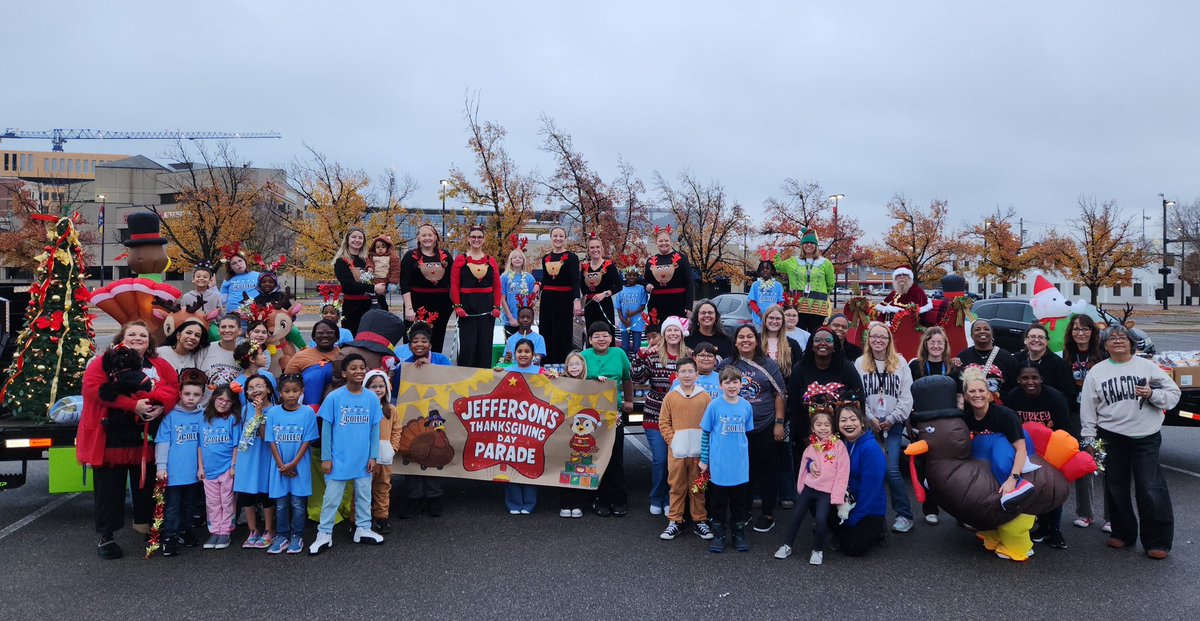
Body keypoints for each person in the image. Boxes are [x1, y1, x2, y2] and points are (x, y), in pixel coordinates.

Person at [79, 321, 180, 559]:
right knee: (109, 488)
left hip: (146, 434)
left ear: (150, 341)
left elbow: (173, 389)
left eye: (143, 335)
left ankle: (148, 528)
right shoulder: (103, 363)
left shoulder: (159, 364)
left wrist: (160, 406)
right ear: (121, 338)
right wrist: (133, 405)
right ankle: (107, 536)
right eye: (131, 334)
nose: (137, 338)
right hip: (111, 435)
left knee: (147, 485)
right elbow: (93, 389)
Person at [1080, 325, 1180, 560]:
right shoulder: (1097, 372)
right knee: (1116, 485)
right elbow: (1088, 407)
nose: (1117, 341)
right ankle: (1123, 533)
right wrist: (1088, 438)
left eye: (1122, 338)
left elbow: (1173, 394)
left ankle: (1157, 541)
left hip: (1146, 436)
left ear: (1132, 343)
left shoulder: (1146, 366)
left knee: (1150, 486)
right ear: (1104, 345)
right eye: (1111, 338)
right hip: (1111, 435)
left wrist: (1152, 394)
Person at [310, 354, 385, 555]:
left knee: (363, 495)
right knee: (331, 498)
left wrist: (373, 456)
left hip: (363, 459)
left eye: (362, 367)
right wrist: (326, 458)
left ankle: (363, 528)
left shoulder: (371, 398)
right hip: (338, 459)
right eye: (353, 368)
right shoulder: (334, 397)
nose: (359, 371)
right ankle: (324, 533)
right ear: (344, 373)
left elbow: (374, 429)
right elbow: (326, 430)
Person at [717, 325, 787, 534]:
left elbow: (780, 394)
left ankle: (767, 513)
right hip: (735, 428)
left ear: (757, 341)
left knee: (767, 471)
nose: (745, 340)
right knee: (741, 471)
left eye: (750, 337)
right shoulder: (727, 364)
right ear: (735, 341)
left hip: (765, 425)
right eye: (741, 337)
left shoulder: (768, 364)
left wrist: (779, 422)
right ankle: (743, 511)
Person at [1005, 362, 1071, 550]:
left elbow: (1064, 428)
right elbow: (1009, 427)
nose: (1030, 381)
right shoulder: (1013, 397)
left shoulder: (1055, 397)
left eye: (1034, 377)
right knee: (1031, 488)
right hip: (1025, 450)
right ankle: (1041, 527)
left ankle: (1055, 530)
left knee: (1053, 488)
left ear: (1041, 379)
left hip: (1052, 448)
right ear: (1018, 380)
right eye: (1025, 378)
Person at [857, 321, 915, 533]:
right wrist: (869, 417)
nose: (878, 340)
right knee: (868, 470)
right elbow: (858, 395)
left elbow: (907, 397)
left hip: (893, 424)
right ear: (868, 340)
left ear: (889, 340)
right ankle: (868, 514)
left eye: (883, 337)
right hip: (869, 424)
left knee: (891, 469)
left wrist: (892, 418)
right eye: (874, 337)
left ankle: (904, 514)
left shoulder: (900, 363)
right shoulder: (860, 363)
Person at [632, 315, 692, 516]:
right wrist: (640, 356)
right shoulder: (653, 354)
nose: (673, 334)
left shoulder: (690, 356)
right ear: (663, 335)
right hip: (655, 413)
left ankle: (671, 499)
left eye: (676, 330)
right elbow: (637, 376)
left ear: (681, 334)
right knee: (660, 459)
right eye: (669, 331)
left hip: (682, 415)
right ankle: (656, 497)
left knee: (676, 459)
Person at [773, 411, 849, 565]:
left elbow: (843, 470)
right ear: (813, 428)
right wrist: (809, 465)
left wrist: (837, 495)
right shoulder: (812, 445)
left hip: (827, 491)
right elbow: (806, 460)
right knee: (796, 516)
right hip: (810, 486)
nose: (823, 428)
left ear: (832, 427)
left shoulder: (838, 445)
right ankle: (787, 545)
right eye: (819, 425)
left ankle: (818, 549)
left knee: (821, 520)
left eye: (827, 425)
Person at [960, 367, 1036, 517]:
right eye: (972, 391)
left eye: (981, 391)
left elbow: (1021, 449)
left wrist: (1012, 479)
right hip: (984, 459)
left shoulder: (1005, 415)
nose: (977, 395)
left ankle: (1020, 487)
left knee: (998, 445)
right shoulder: (966, 419)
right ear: (965, 396)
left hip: (1011, 454)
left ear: (989, 394)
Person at [398, 321, 453, 518]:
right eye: (415, 341)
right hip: (410, 414)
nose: (419, 344)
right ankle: (414, 497)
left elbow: (451, 382)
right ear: (410, 345)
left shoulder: (442, 360)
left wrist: (432, 369)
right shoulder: (403, 363)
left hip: (436, 414)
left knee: (436, 451)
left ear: (430, 344)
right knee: (411, 450)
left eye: (424, 340)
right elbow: (395, 388)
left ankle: (433, 496)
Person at [581, 321, 635, 517]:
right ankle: (598, 499)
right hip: (590, 415)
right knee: (595, 456)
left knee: (615, 457)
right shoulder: (583, 356)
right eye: (596, 336)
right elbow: (572, 378)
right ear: (590, 339)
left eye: (605, 335)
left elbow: (627, 378)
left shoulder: (619, 354)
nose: (601, 339)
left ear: (611, 338)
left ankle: (618, 499)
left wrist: (629, 400)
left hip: (614, 414)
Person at [907, 325, 959, 524]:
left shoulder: (953, 367)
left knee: (949, 467)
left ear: (945, 345)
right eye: (932, 342)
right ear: (926, 344)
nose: (936, 346)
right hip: (923, 425)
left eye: (940, 342)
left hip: (947, 425)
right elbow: (908, 395)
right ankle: (930, 507)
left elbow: (960, 396)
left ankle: (957, 509)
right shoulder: (915, 367)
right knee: (926, 466)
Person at [658, 357, 713, 540]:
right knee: (676, 486)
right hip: (677, 452)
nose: (687, 375)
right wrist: (673, 441)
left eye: (690, 371)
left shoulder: (705, 396)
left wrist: (706, 447)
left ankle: (700, 521)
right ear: (677, 375)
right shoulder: (671, 397)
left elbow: (710, 424)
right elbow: (664, 422)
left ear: (697, 375)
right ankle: (675, 520)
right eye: (683, 371)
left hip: (699, 452)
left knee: (698, 487)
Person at [700, 366, 755, 553]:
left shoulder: (746, 406)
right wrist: (704, 460)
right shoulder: (714, 405)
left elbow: (747, 434)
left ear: (741, 384)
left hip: (739, 465)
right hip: (719, 465)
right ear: (720, 385)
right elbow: (706, 434)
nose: (731, 386)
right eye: (727, 382)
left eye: (735, 382)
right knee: (718, 503)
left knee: (739, 503)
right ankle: (719, 534)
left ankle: (738, 534)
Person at [153, 370, 207, 556]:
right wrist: (161, 467)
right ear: (180, 394)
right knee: (173, 506)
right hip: (174, 471)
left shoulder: (203, 416)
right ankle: (170, 537)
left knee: (190, 505)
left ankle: (185, 531)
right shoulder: (171, 416)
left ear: (202, 396)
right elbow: (162, 441)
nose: (191, 398)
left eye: (196, 395)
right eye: (187, 394)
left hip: (194, 472)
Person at [265, 373, 318, 555]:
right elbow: (271, 440)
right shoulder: (273, 412)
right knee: (280, 504)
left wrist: (293, 464)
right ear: (280, 393)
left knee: (297, 503)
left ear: (301, 392)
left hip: (299, 467)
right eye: (286, 391)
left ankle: (297, 535)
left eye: (295, 391)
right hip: (278, 468)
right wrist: (282, 465)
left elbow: (307, 441)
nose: (291, 395)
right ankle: (282, 535)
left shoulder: (307, 412)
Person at [787, 326, 864, 442]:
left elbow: (860, 399)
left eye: (828, 341)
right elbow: (793, 403)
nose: (822, 343)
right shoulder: (800, 368)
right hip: (807, 435)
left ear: (834, 346)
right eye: (817, 340)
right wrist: (804, 436)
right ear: (811, 345)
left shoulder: (846, 368)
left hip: (842, 436)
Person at [759, 304, 802, 510]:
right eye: (771, 318)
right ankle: (759, 492)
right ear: (765, 320)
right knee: (760, 450)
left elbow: (798, 375)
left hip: (785, 404)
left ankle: (787, 492)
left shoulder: (792, 344)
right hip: (759, 404)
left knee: (784, 449)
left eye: (778, 319)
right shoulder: (758, 343)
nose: (775, 322)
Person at [830, 405, 887, 556]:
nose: (848, 424)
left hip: (868, 507)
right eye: (843, 420)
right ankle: (840, 529)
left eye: (852, 419)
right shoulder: (841, 443)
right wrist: (812, 464)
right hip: (845, 501)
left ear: (862, 422)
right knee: (813, 495)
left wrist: (855, 517)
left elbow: (871, 490)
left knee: (853, 547)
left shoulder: (870, 448)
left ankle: (879, 528)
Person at [1064, 314, 1104, 530]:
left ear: (1092, 331)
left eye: (1085, 329)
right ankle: (1085, 513)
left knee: (1106, 464)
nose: (1080, 333)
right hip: (1077, 415)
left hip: (1103, 415)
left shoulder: (1102, 354)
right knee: (1083, 462)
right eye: (1076, 329)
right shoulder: (1067, 355)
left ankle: (1112, 516)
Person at [498, 339, 546, 514]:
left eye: (527, 351)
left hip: (532, 426)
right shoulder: (506, 371)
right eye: (519, 351)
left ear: (533, 355)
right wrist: (494, 373)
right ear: (514, 353)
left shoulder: (541, 372)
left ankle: (529, 503)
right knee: (511, 461)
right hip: (510, 427)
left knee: (530, 462)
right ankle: (514, 503)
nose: (523, 354)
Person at [234, 374, 278, 550]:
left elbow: (265, 436)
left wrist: (259, 413)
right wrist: (235, 463)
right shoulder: (245, 410)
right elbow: (240, 436)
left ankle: (269, 530)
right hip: (247, 457)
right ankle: (253, 531)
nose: (255, 390)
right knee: (246, 494)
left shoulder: (275, 410)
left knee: (266, 494)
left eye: (259, 386)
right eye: (250, 388)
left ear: (268, 388)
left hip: (265, 456)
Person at [450, 225, 503, 368]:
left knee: (485, 344)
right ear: (468, 239)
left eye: (479, 237)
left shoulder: (490, 261)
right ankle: (465, 377)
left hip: (486, 307)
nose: (476, 239)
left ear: (484, 240)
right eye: (473, 237)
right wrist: (457, 306)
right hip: (467, 307)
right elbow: (454, 285)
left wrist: (497, 306)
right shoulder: (461, 260)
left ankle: (483, 377)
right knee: (468, 345)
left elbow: (497, 286)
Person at [198, 385, 241, 551]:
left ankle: (225, 531)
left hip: (226, 470)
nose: (223, 403)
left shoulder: (233, 420)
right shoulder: (204, 418)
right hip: (208, 471)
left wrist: (234, 466)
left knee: (227, 501)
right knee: (212, 503)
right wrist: (200, 467)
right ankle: (215, 530)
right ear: (213, 398)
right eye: (220, 399)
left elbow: (237, 445)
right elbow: (200, 445)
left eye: (228, 401)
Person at [400, 223, 454, 351]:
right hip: (417, 305)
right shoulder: (409, 257)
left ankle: (434, 369)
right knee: (414, 339)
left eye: (430, 235)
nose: (427, 238)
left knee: (437, 340)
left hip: (441, 306)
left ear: (436, 237)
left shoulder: (446, 256)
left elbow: (453, 281)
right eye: (423, 235)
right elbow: (404, 283)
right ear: (418, 238)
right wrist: (408, 308)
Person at [772, 228, 835, 334]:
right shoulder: (793, 261)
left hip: (818, 308)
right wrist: (776, 246)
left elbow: (830, 284)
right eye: (806, 242)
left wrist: (819, 293)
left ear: (816, 246)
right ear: (802, 245)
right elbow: (777, 265)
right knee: (796, 334)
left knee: (814, 336)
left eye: (812, 242)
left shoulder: (826, 263)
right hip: (797, 307)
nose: (809, 245)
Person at [536, 226, 581, 364]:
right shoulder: (546, 258)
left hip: (564, 300)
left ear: (565, 238)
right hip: (548, 300)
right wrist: (538, 285)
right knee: (547, 330)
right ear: (551, 238)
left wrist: (576, 299)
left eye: (561, 236)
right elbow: (546, 278)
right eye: (555, 236)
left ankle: (562, 364)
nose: (558, 238)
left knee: (563, 331)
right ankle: (547, 363)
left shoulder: (572, 258)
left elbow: (575, 280)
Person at [363, 370, 401, 533]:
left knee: (383, 488)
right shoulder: (362, 408)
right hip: (364, 456)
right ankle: (357, 520)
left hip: (384, 456)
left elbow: (396, 430)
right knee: (361, 489)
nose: (378, 389)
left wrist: (392, 448)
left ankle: (381, 518)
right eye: (373, 386)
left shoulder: (391, 409)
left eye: (381, 386)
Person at [557, 351, 594, 518]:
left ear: (583, 366)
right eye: (571, 364)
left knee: (582, 467)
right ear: (566, 366)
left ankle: (578, 503)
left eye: (577, 364)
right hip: (564, 433)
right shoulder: (560, 382)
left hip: (582, 436)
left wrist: (601, 382)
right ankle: (565, 502)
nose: (574, 367)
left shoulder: (590, 384)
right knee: (565, 466)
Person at [333, 227, 385, 335]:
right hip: (353, 309)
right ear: (347, 239)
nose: (357, 240)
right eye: (354, 237)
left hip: (372, 306)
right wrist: (374, 288)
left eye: (360, 238)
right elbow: (349, 286)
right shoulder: (341, 262)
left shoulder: (368, 260)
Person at [953, 319, 1018, 396]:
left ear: (992, 333)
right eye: (977, 329)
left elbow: (1014, 386)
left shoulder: (1007, 358)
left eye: (986, 329)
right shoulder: (962, 357)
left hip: (999, 405)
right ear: (971, 335)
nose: (982, 331)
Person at [643, 226, 694, 321]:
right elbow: (646, 280)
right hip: (656, 304)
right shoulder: (650, 260)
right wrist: (648, 285)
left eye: (666, 241)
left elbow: (689, 282)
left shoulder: (681, 258)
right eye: (660, 241)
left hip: (678, 303)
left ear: (671, 242)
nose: (664, 243)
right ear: (656, 243)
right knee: (658, 334)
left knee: (675, 333)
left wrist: (689, 306)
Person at [1015, 323, 1075, 403]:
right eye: (1032, 336)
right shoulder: (1016, 359)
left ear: (1047, 342)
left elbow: (1067, 394)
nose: (1036, 340)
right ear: (1025, 340)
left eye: (1041, 337)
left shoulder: (1059, 364)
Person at [288, 319, 342, 406]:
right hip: (309, 406)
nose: (325, 335)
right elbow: (287, 382)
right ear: (313, 337)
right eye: (320, 333)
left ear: (337, 337)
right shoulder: (300, 357)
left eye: (330, 332)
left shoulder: (344, 354)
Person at [580, 235, 622, 332]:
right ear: (588, 250)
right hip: (590, 306)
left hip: (605, 304)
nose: (595, 250)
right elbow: (582, 287)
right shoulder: (584, 267)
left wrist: (605, 293)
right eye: (592, 247)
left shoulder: (609, 265)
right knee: (592, 333)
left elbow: (619, 286)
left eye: (597, 247)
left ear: (602, 249)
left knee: (606, 333)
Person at [501, 243, 537, 337]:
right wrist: (510, 318)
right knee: (511, 348)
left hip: (525, 320)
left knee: (525, 347)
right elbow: (502, 299)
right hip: (510, 320)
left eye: (520, 257)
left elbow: (532, 299)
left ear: (523, 260)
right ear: (511, 260)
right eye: (515, 257)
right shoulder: (504, 277)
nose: (517, 259)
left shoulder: (529, 278)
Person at [203, 314, 243, 387]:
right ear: (218, 331)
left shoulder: (243, 354)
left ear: (239, 331)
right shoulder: (206, 348)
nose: (227, 330)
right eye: (223, 327)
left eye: (231, 327)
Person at [614, 268, 647, 355]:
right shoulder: (621, 289)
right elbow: (618, 307)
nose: (632, 277)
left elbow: (643, 305)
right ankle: (626, 365)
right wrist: (622, 319)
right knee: (625, 346)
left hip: (637, 322)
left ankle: (637, 365)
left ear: (638, 277)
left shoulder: (641, 289)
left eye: (634, 275)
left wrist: (632, 313)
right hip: (624, 322)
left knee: (637, 347)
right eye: (629, 275)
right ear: (625, 276)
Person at [747, 258, 785, 329]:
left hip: (773, 319)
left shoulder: (778, 285)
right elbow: (752, 301)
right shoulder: (755, 285)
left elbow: (781, 302)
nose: (765, 270)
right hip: (758, 320)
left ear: (772, 271)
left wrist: (773, 314)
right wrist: (761, 315)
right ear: (759, 271)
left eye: (767, 268)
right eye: (762, 269)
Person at [220, 248, 260, 314]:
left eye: (240, 261)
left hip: (255, 314)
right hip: (233, 315)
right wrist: (213, 288)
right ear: (230, 268)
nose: (238, 264)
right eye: (234, 263)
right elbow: (222, 300)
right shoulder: (227, 280)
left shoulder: (258, 275)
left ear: (245, 261)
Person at [369, 235, 400, 311]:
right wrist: (370, 267)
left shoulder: (392, 257)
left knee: (381, 300)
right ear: (374, 248)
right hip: (373, 281)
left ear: (388, 248)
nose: (380, 249)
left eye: (383, 247)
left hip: (384, 282)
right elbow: (369, 263)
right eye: (378, 247)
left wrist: (393, 282)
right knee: (373, 300)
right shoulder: (371, 256)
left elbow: (395, 270)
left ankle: (382, 310)